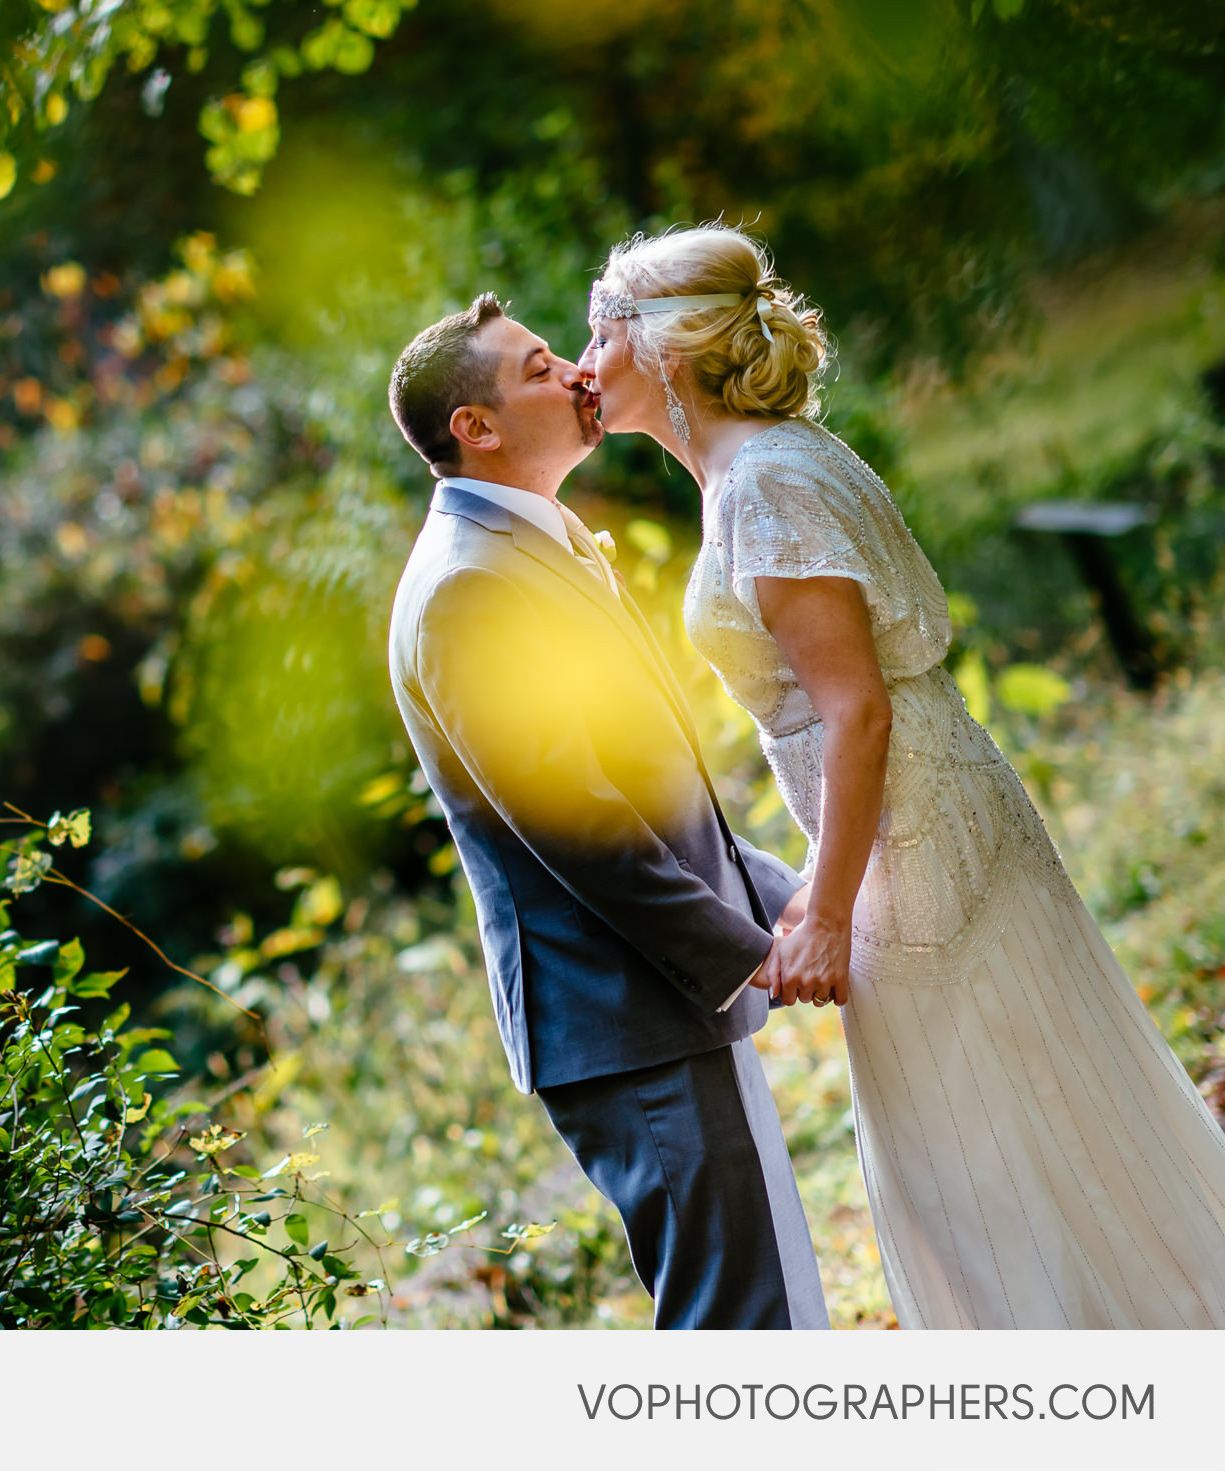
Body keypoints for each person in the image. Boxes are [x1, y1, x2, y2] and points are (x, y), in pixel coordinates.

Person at [581, 222, 1225, 1328]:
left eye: (601, 332)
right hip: (916, 816)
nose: (585, 360)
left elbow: (858, 709)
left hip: (915, 843)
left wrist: (824, 913)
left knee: (972, 1156)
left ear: (668, 349)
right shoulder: (754, 468)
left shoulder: (765, 483)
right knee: (1013, 1119)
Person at [385, 292, 828, 1328]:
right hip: (624, 1016)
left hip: (656, 999)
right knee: (739, 1324)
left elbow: (646, 794)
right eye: (541, 367)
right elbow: (579, 825)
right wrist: (747, 948)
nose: (579, 375)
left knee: (768, 1300)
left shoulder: (528, 548)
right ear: (476, 427)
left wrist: (782, 892)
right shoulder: (468, 589)